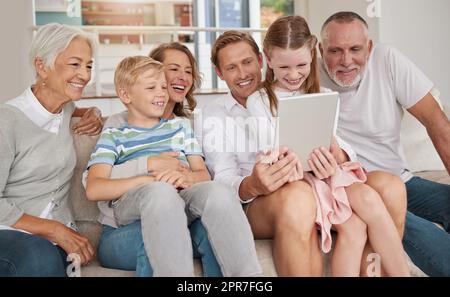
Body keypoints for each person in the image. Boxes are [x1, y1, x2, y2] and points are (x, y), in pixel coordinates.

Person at [246, 15, 409, 276]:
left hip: (329, 175)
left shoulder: (322, 95)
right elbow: (270, 151)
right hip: (299, 181)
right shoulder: (260, 100)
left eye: (301, 65)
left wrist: (337, 154)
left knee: (366, 205)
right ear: (268, 60)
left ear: (312, 56)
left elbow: (341, 146)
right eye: (284, 67)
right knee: (355, 224)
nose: (294, 74)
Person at [85, 56, 261, 277]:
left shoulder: (180, 127)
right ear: (125, 95)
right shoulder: (115, 133)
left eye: (162, 86)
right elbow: (94, 189)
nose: (161, 93)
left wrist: (188, 178)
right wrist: (150, 179)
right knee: (160, 193)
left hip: (179, 207)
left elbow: (203, 175)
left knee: (218, 192)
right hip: (128, 219)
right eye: (151, 87)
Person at [319, 11, 450, 276]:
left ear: (369, 47)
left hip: (401, 181)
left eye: (355, 49)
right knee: (437, 248)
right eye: (335, 51)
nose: (346, 61)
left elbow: (438, 124)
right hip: (354, 190)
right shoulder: (303, 72)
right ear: (321, 49)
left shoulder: (388, 59)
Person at [197, 30, 322, 276]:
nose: (243, 74)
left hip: (304, 189)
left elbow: (335, 139)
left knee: (301, 194)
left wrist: (335, 157)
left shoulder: (289, 92)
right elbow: (222, 177)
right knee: (297, 195)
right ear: (220, 73)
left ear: (261, 61)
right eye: (231, 67)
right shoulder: (212, 115)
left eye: (247, 62)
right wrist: (253, 185)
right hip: (248, 206)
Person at [0, 23, 103, 277]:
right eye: (75, 64)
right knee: (39, 256)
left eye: (88, 66)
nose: (85, 75)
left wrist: (94, 112)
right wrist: (54, 229)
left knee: (50, 257)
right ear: (41, 66)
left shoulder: (63, 109)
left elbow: (70, 112)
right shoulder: (7, 121)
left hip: (51, 242)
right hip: (8, 234)